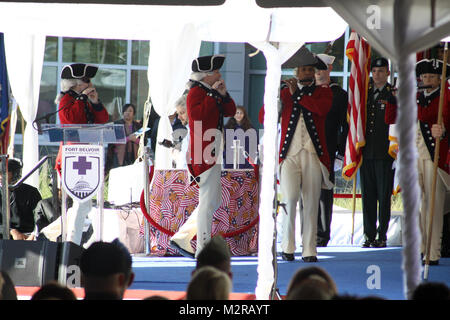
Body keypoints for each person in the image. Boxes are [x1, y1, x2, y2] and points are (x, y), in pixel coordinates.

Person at [259, 46, 333, 262]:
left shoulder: (324, 92)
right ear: (296, 73)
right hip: (289, 154)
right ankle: (287, 246)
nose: (307, 73)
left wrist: (296, 94)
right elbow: (264, 116)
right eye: (303, 70)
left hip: (313, 155)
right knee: (290, 199)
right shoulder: (285, 92)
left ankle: (309, 249)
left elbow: (320, 110)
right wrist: (275, 95)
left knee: (310, 203)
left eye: (310, 70)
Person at [169, 55, 236, 258]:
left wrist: (223, 95)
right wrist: (214, 95)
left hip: (212, 151)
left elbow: (230, 111)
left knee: (212, 201)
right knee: (207, 204)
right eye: (216, 72)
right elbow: (198, 117)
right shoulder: (195, 93)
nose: (219, 74)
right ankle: (202, 249)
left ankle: (182, 237)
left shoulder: (209, 92)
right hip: (203, 154)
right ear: (206, 75)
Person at [386, 58, 450, 265]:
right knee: (417, 204)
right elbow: (390, 118)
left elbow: (431, 115)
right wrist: (392, 99)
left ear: (441, 79)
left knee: (433, 205)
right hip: (414, 155)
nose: (427, 80)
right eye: (424, 76)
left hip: (434, 157)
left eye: (432, 76)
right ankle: (421, 248)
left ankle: (433, 252)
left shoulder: (445, 96)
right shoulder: (415, 97)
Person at [54, 63, 109, 246]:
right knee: (82, 203)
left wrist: (95, 102)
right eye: (86, 80)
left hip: (87, 154)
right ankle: (73, 243)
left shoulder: (84, 100)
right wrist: (81, 99)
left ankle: (81, 242)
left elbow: (102, 120)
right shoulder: (66, 100)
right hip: (72, 156)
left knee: (86, 204)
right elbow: (73, 121)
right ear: (76, 84)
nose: (90, 83)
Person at [359, 57, 397, 248]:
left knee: (383, 196)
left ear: (388, 73)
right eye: (374, 71)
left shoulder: (393, 94)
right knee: (368, 196)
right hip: (367, 153)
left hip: (384, 153)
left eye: (381, 71)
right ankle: (368, 234)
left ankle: (382, 235)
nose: (377, 74)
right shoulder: (365, 94)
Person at [314, 53, 349, 247]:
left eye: (322, 69)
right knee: (306, 193)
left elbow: (345, 126)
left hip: (328, 150)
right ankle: (308, 232)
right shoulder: (309, 92)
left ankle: (322, 234)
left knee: (324, 194)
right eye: (316, 69)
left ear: (330, 69)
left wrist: (340, 152)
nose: (319, 73)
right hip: (308, 150)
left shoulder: (339, 94)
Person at [0, 158, 41, 240]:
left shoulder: (31, 192)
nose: (0, 177)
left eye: (3, 173)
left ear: (15, 174)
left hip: (29, 237)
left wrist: (34, 234)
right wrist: (11, 231)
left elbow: (39, 217)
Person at [105, 103, 142, 175]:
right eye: (125, 111)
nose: (127, 113)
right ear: (123, 113)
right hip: (119, 155)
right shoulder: (117, 124)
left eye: (130, 111)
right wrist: (128, 138)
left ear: (134, 113)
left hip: (135, 155)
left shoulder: (138, 126)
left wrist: (135, 140)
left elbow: (144, 142)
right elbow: (113, 141)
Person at [171, 94, 189, 169]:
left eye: (182, 113)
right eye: (178, 114)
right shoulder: (189, 131)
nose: (178, 117)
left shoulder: (197, 132)